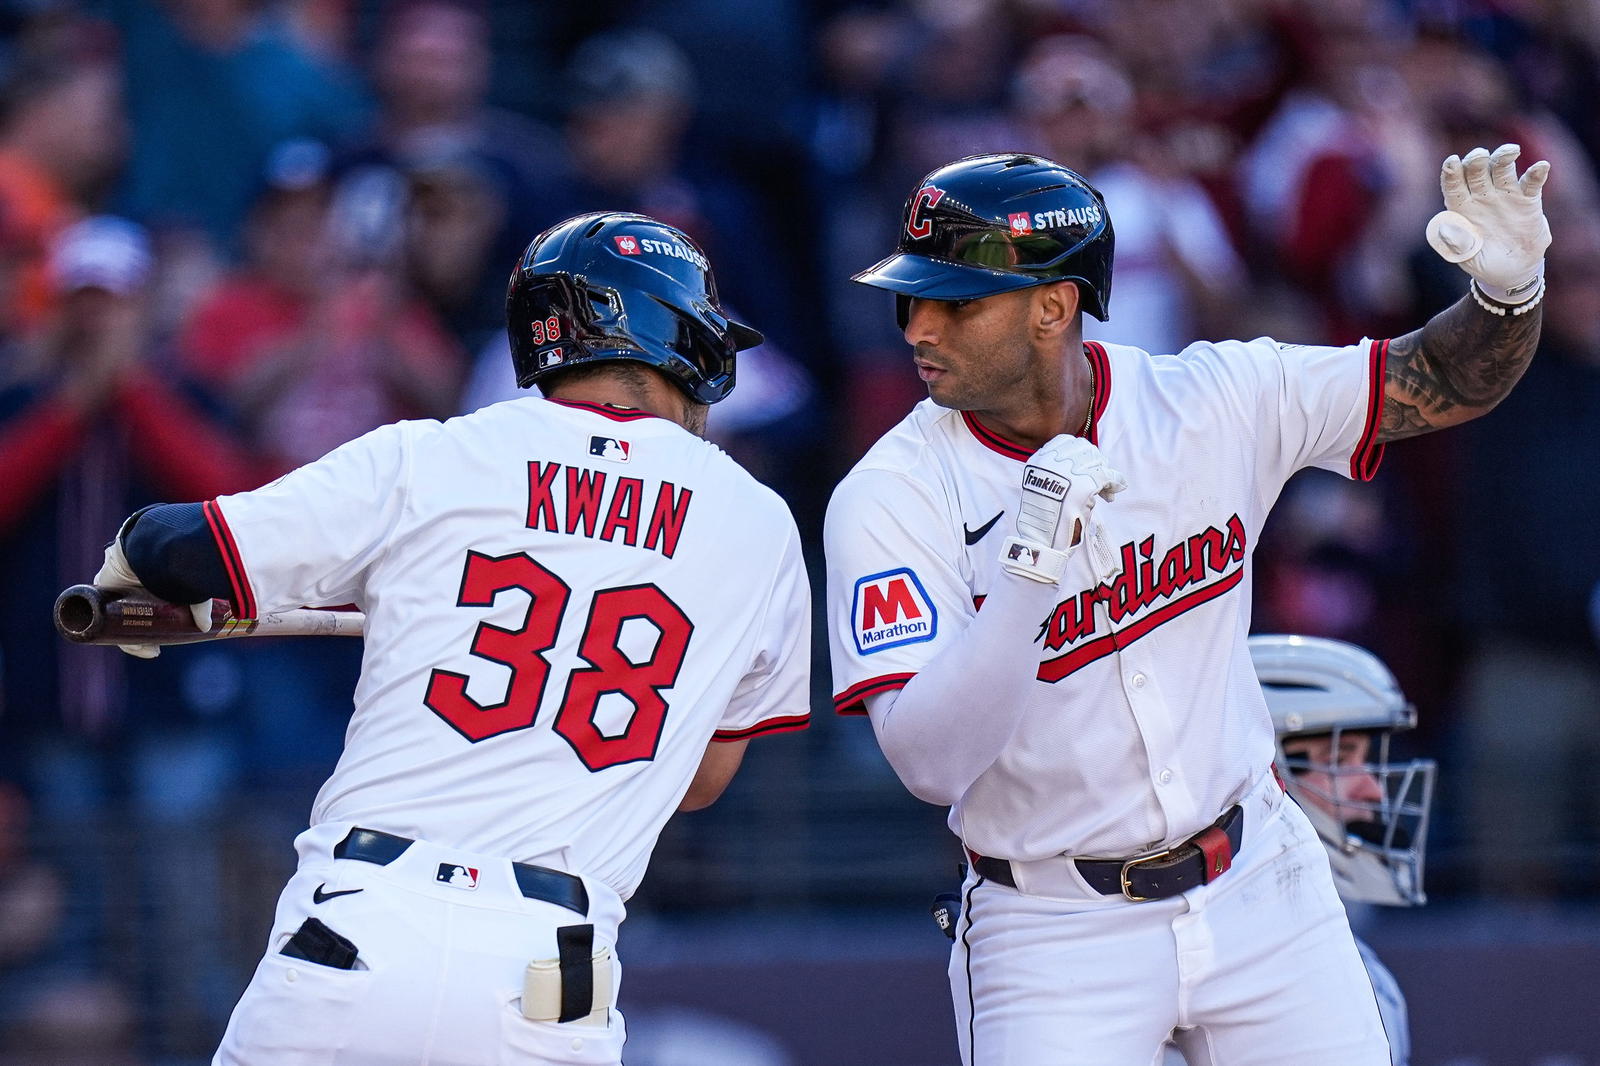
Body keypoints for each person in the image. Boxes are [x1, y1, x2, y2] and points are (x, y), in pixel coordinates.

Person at [824, 145, 1549, 1064]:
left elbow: (1435, 382)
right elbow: (929, 763)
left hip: (1260, 881)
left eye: (954, 303)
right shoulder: (892, 492)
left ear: (1055, 307)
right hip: (1050, 924)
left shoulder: (1209, 401)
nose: (918, 327)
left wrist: (1507, 298)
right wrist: (1024, 576)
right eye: (909, 298)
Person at [85, 211, 812, 1065]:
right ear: (680, 337)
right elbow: (701, 781)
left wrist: (133, 560)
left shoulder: (437, 456)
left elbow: (193, 546)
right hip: (549, 972)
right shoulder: (759, 525)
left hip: (358, 926)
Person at [1164, 634, 1436, 1065]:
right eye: (1340, 758)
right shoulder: (1157, 952)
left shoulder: (1355, 961)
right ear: (1257, 768)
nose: (1372, 791)